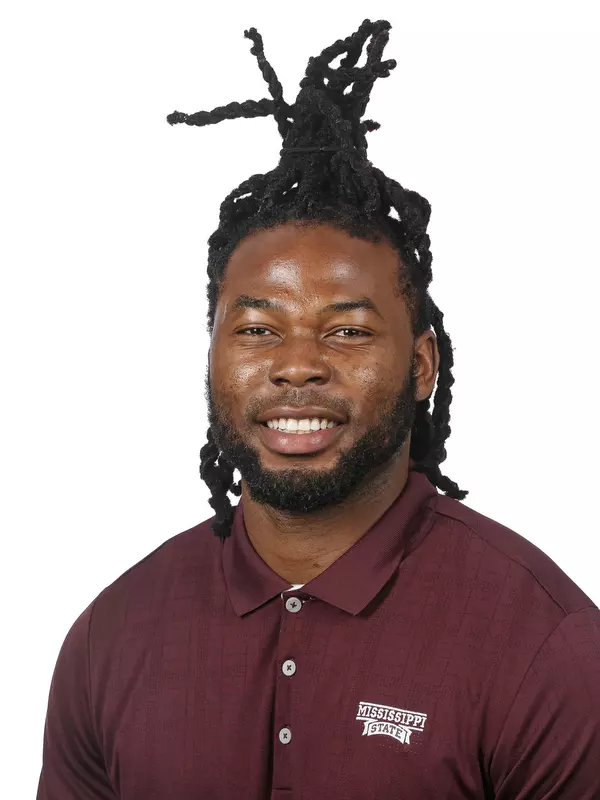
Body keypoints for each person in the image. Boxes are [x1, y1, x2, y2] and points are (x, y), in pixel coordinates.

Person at [37, 19, 600, 799]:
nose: (297, 364)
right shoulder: (112, 636)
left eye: (347, 330)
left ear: (422, 365)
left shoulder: (547, 646)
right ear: (214, 354)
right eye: (259, 328)